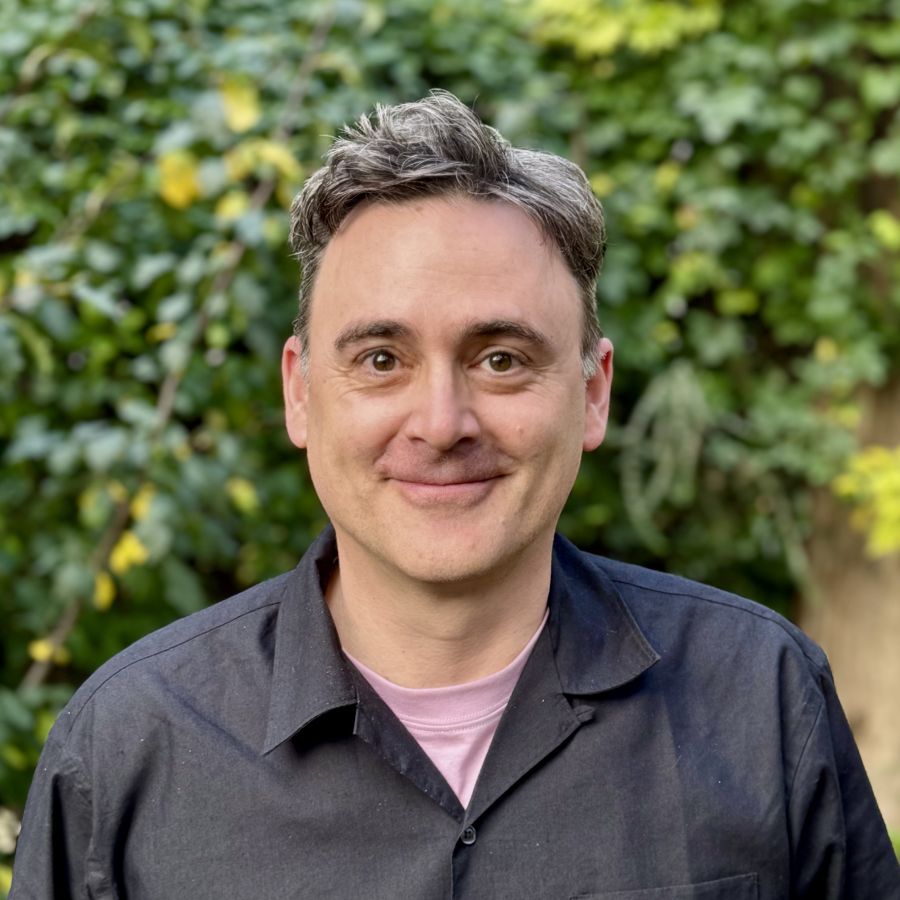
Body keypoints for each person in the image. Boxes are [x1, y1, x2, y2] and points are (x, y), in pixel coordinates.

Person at [10, 91, 898, 899]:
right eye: (381, 359)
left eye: (501, 359)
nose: (441, 423)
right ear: (299, 394)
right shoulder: (129, 749)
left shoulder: (761, 699)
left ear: (593, 392)